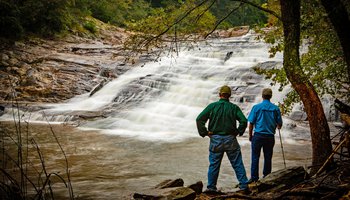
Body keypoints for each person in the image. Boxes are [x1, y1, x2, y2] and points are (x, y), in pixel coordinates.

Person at [196, 85, 249, 193]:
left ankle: (211, 187)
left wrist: (205, 132)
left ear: (219, 95)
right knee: (237, 163)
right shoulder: (234, 107)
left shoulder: (212, 106)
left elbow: (199, 119)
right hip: (230, 139)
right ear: (229, 96)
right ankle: (244, 185)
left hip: (215, 139)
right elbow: (243, 121)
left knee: (214, 164)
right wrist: (238, 131)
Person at [247, 88, 283, 183]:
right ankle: (266, 177)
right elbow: (280, 124)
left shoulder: (256, 107)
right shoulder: (275, 109)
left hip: (258, 136)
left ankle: (254, 178)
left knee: (255, 157)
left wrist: (250, 135)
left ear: (262, 96)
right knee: (268, 157)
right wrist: (277, 125)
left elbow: (251, 123)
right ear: (270, 97)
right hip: (269, 137)